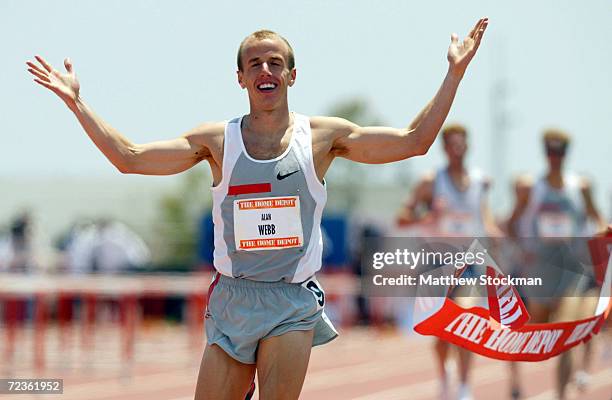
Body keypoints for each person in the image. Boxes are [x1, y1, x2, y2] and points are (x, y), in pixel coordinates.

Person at [27, 18, 489, 400]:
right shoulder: (216, 142)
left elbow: (414, 142)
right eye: (255, 63)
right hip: (233, 298)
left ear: (291, 75)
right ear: (242, 78)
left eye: (275, 62)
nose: (265, 69)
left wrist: (454, 74)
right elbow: (128, 158)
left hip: (291, 299)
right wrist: (77, 103)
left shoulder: (323, 138)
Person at [397, 123, 500, 400]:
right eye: (452, 145)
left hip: (468, 263)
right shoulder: (430, 182)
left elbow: (483, 214)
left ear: (468, 146)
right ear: (444, 148)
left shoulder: (480, 181)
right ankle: (445, 374)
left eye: (461, 144)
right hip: (436, 263)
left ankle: (465, 387)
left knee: (467, 320)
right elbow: (402, 217)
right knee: (443, 332)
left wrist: (492, 230)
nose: (457, 150)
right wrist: (426, 218)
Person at [506, 129, 606, 400]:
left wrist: (602, 234)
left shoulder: (580, 187)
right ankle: (514, 381)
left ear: (565, 154)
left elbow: (596, 218)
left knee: (565, 334)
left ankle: (561, 395)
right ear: (545, 154)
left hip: (569, 272)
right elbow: (511, 223)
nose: (555, 158)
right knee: (525, 334)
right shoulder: (530, 188)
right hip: (538, 271)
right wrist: (520, 249)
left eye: (559, 152)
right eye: (550, 152)